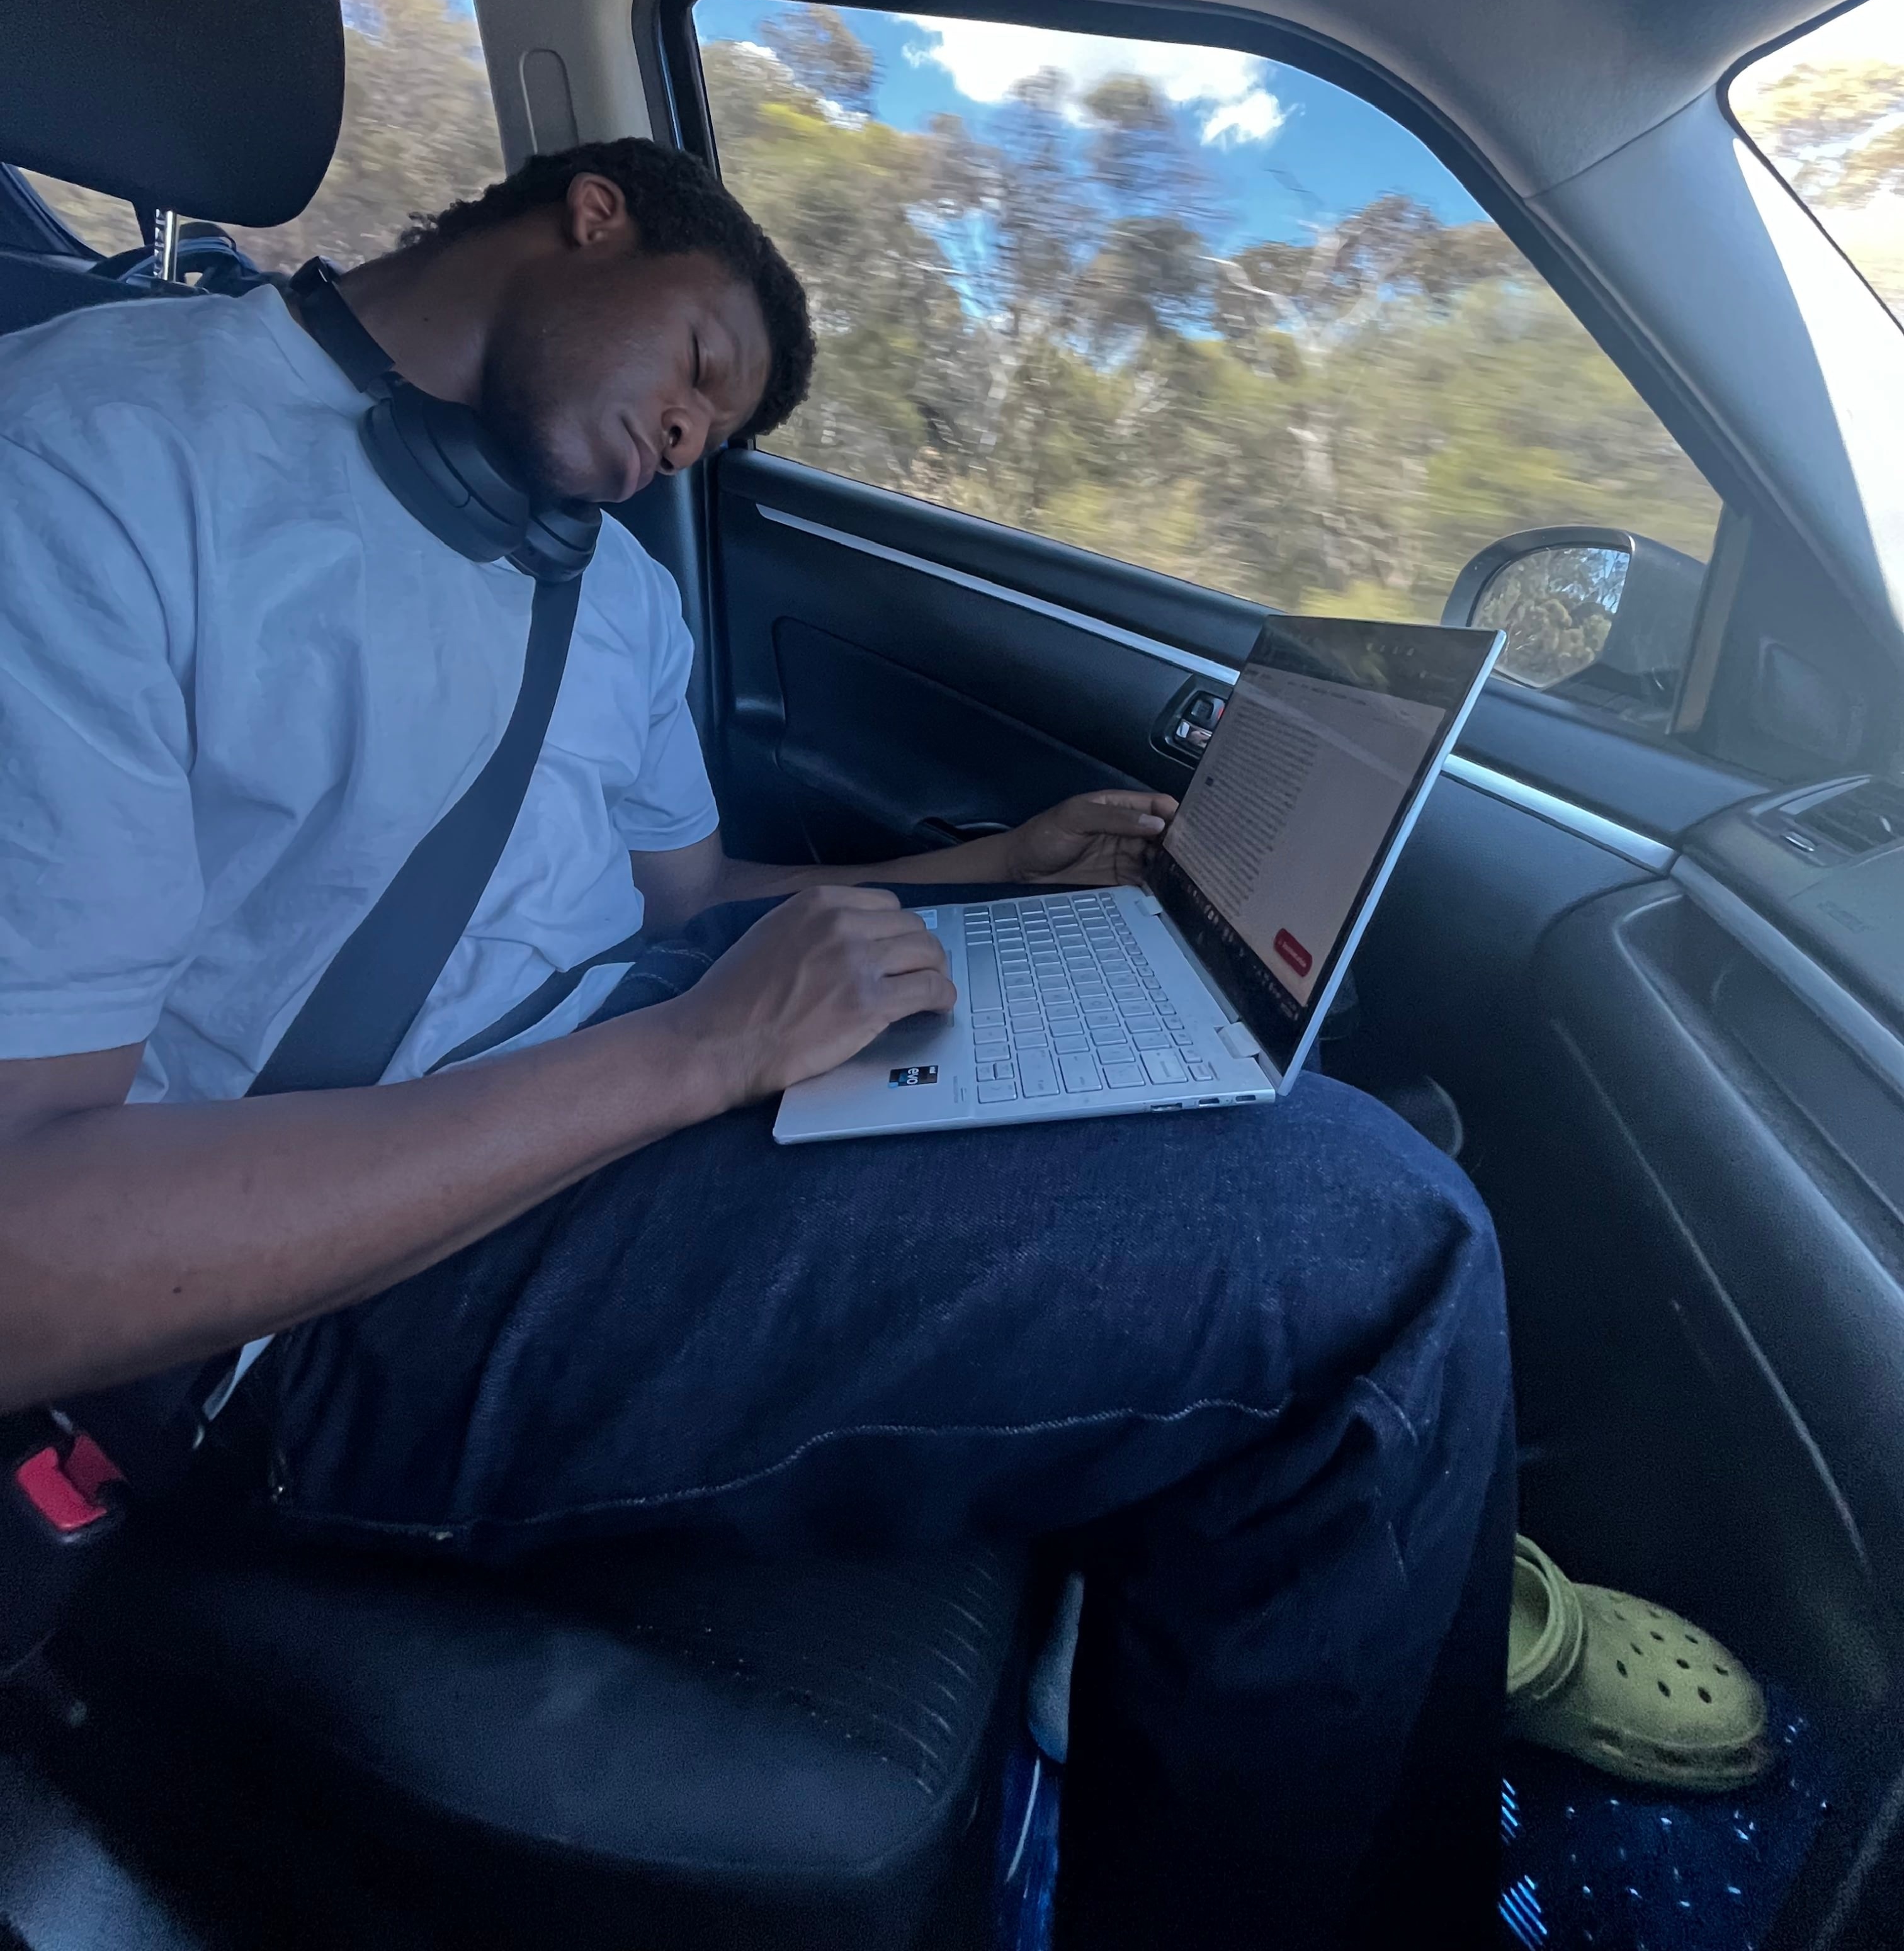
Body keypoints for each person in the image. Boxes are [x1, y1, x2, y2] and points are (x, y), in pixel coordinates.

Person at [0, 137, 1512, 1945]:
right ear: (596, 216)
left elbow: (688, 893)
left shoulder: (607, 582)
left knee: (1287, 1075)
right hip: (317, 1300)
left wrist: (996, 868)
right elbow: (31, 1256)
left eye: (710, 438)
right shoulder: (96, 455)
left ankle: (1248, 1566)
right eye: (702, 367)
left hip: (617, 1061)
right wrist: (698, 1057)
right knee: (1377, 1249)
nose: (681, 442)